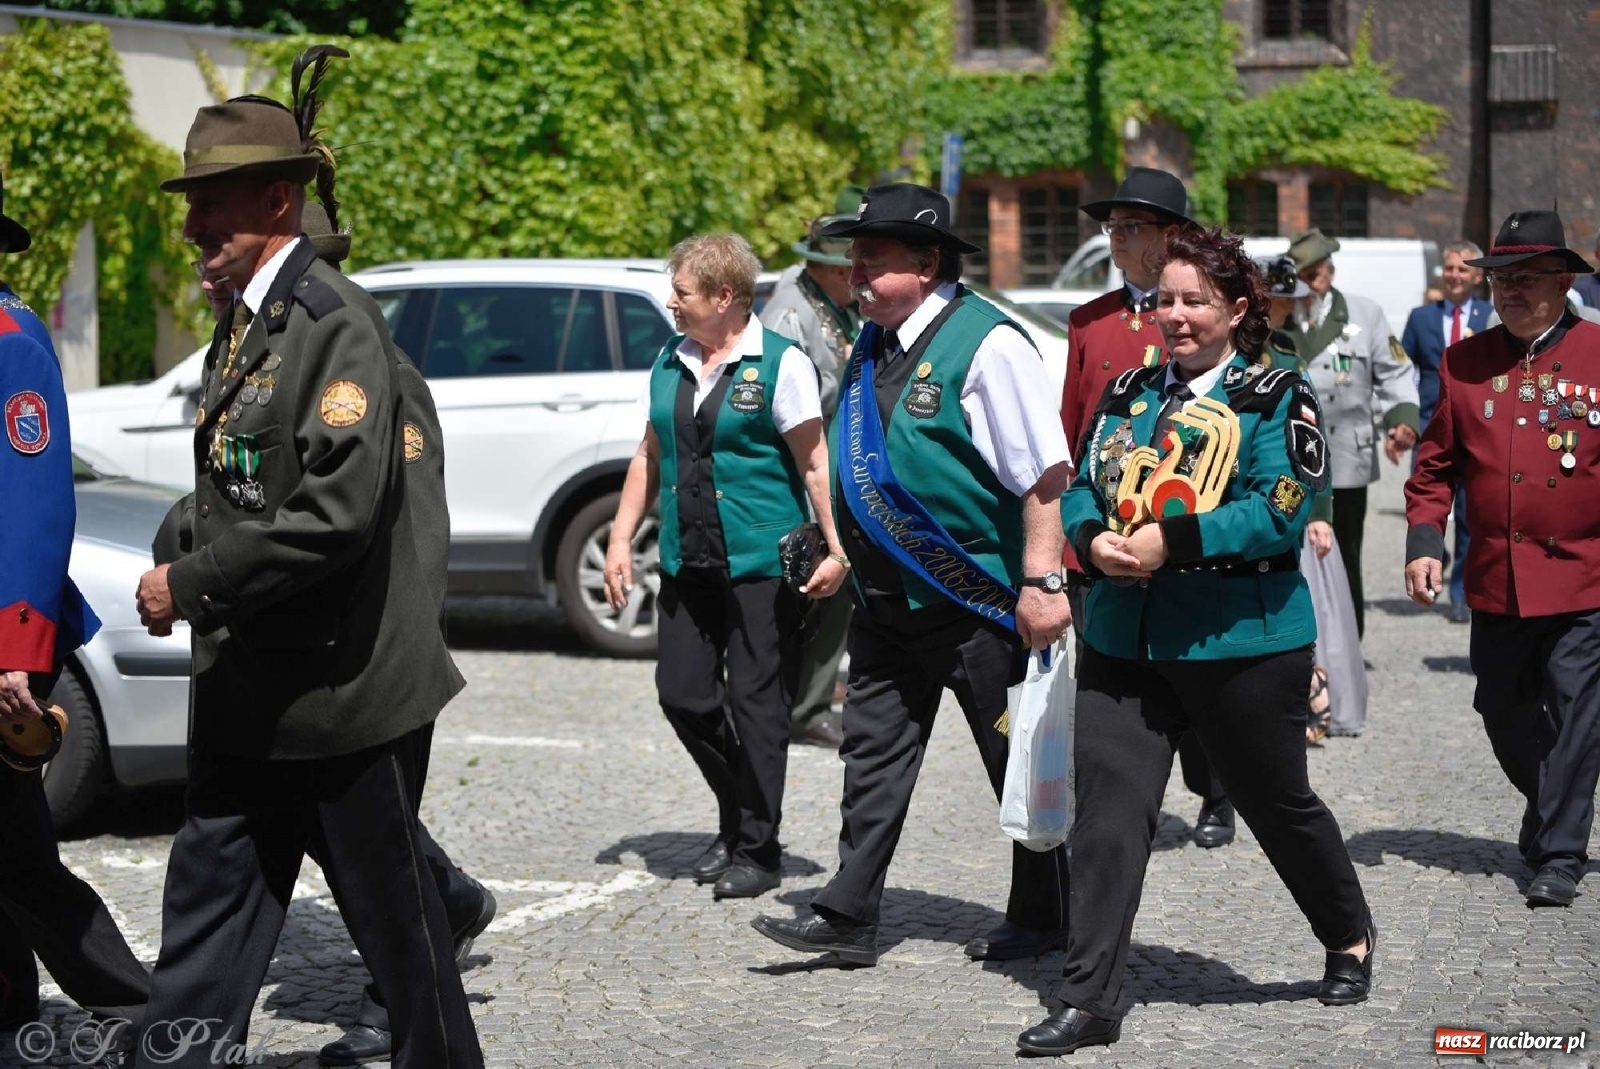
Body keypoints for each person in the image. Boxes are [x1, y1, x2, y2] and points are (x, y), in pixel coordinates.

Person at [131, 95, 482, 1068]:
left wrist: (190, 583)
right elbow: (246, 485)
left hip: (340, 701)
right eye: (193, 204)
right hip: (253, 688)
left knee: (404, 950)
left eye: (215, 203)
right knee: (208, 911)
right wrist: (179, 549)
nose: (194, 225)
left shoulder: (336, 326)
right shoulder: (249, 326)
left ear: (279, 201)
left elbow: (335, 514)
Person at [1020, 228, 1373, 1055]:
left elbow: (1280, 506)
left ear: (1236, 309)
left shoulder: (1276, 393)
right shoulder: (1130, 390)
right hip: (1124, 640)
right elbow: (1083, 484)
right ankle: (1090, 997)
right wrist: (1092, 538)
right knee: (1106, 813)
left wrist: (1169, 542)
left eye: (1194, 300)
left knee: (1276, 803)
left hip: (1239, 645)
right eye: (1165, 299)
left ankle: (1347, 929)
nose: (1173, 315)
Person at [750, 183, 1072, 967]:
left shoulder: (989, 344)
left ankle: (1051, 915)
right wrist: (836, 551)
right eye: (854, 262)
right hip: (886, 604)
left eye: (873, 262)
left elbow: (1044, 478)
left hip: (979, 604)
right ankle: (850, 913)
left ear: (928, 264)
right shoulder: (875, 340)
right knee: (871, 758)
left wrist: (1041, 585)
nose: (855, 276)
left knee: (1018, 763)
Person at [605, 233, 845, 901]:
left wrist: (836, 547)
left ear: (725, 297)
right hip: (688, 559)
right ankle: (741, 811)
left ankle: (757, 846)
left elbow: (816, 463)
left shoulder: (781, 364)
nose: (670, 301)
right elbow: (648, 457)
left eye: (682, 292)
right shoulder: (670, 360)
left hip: (761, 564)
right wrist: (622, 538)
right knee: (682, 694)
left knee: (758, 704)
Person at [1404, 210, 1600, 909]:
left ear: (1565, 281)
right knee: (1500, 706)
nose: (1507, 291)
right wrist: (1425, 542)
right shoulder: (1465, 362)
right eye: (1500, 279)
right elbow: (1433, 470)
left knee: (1578, 712)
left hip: (1583, 575)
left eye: (1526, 279)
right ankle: (1552, 806)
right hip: (1495, 576)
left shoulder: (1597, 356)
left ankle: (1560, 853)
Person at [0, 172, 151, 1049]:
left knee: (17, 858)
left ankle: (140, 1011)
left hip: (8, 641)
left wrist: (17, 649)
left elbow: (36, 502)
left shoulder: (12, 339)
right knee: (10, 854)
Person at [1058, 166, 1235, 848]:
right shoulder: (1090, 320)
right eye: (1113, 226)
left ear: (1172, 237)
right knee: (1116, 679)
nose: (1116, 238)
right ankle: (1124, 803)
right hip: (1106, 534)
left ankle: (1217, 791)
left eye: (1131, 227)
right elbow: (1074, 429)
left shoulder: (1200, 315)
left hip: (1185, 530)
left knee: (1192, 674)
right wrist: (1073, 537)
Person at [760, 186, 864, 749]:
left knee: (835, 593)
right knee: (818, 591)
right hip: (804, 476)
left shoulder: (835, 307)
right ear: (826, 268)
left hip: (834, 468)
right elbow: (781, 407)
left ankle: (813, 694)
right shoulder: (788, 312)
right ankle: (803, 704)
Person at [1287, 228, 1419, 638]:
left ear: (1331, 271)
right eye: (1302, 274)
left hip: (1346, 454)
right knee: (1288, 548)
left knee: (1344, 550)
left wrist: (1402, 417)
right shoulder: (1278, 314)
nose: (1309, 282)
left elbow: (1395, 369)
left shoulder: (1365, 313)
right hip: (1287, 454)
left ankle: (1346, 640)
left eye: (1316, 272)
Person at [1259, 255, 1368, 739]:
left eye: (1286, 303)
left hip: (1288, 502)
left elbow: (1312, 439)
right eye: (1275, 302)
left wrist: (1320, 512)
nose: (1279, 312)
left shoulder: (1288, 357)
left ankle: (1307, 699)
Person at [1401, 242, 1492, 624]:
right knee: (1429, 502)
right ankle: (1433, 559)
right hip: (1428, 427)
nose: (1454, 275)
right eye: (1449, 268)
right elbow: (1402, 369)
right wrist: (1402, 421)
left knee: (1472, 516)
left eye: (1462, 269)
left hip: (1474, 429)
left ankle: (1460, 593)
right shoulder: (1421, 317)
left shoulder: (1492, 316)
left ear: (1477, 276)